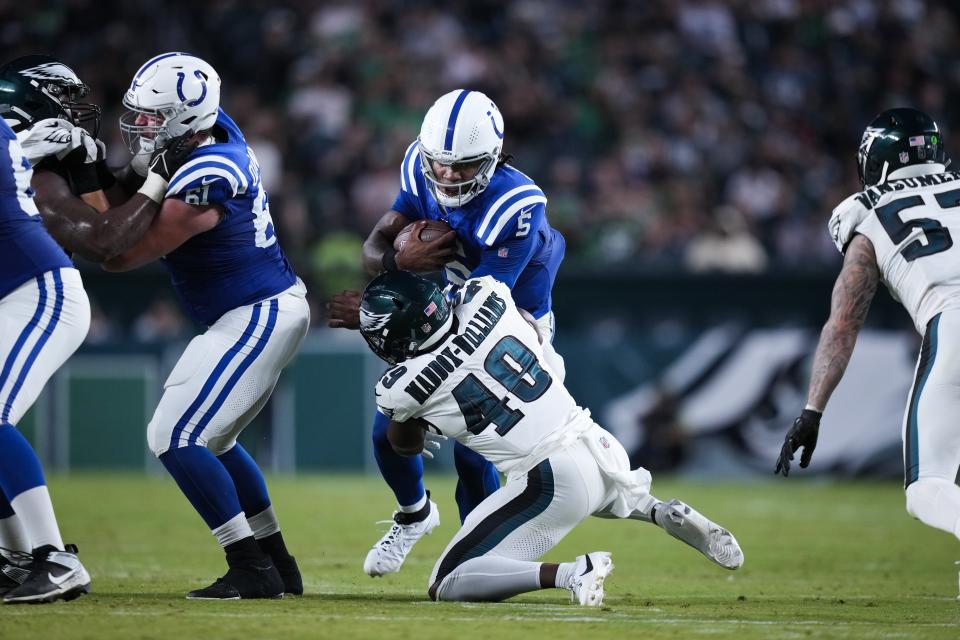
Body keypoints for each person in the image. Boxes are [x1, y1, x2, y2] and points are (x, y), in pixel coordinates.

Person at [359, 270, 743, 604]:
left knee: (447, 580)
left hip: (549, 477)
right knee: (603, 491)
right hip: (598, 442)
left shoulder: (401, 387)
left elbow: (403, 443)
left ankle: (572, 573)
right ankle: (658, 510)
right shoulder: (485, 293)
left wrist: (422, 420)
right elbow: (529, 321)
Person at [328, 89, 567, 578]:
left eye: (463, 166)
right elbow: (373, 246)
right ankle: (415, 514)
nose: (449, 176)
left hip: (511, 323)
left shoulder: (516, 205)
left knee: (473, 449)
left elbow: (487, 308)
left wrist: (378, 311)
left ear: (493, 157)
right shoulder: (420, 165)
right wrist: (397, 264)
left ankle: (478, 557)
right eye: (441, 165)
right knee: (387, 430)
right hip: (444, 305)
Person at [100, 52, 310, 600]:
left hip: (256, 309)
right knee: (214, 441)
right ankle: (277, 563)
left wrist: (123, 191)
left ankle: (249, 566)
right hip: (258, 307)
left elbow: (121, 254)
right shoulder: (212, 132)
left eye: (152, 117)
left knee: (173, 434)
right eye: (138, 114)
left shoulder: (208, 174)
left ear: (184, 121)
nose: (139, 126)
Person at [0, 54, 194, 604]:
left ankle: (52, 558)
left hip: (32, 292)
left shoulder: (37, 164)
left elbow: (104, 231)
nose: (82, 116)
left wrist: (130, 173)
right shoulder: (22, 151)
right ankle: (17, 558)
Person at [776, 108, 960, 564]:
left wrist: (812, 410)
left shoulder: (867, 212)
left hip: (953, 320)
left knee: (927, 488)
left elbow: (843, 324)